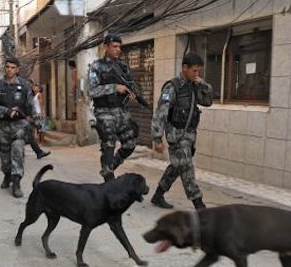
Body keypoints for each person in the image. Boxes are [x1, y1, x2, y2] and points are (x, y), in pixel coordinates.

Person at [150, 52, 213, 210]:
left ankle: (158, 195)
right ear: (184, 68)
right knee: (186, 168)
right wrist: (157, 138)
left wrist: (203, 83)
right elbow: (160, 112)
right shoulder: (172, 87)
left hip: (190, 135)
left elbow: (207, 101)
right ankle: (200, 206)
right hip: (176, 135)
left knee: (177, 166)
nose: (196, 74)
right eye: (194, 71)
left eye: (199, 71)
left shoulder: (194, 86)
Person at [88, 33, 138, 182]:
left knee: (130, 144)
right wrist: (113, 87)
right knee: (109, 142)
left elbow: (131, 84)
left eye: (119, 47)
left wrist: (132, 93)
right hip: (104, 112)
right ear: (106, 47)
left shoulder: (123, 66)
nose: (118, 50)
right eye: (114, 46)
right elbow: (92, 91)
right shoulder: (97, 67)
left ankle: (109, 168)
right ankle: (108, 176)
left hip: (121, 111)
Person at [0, 57, 39, 198]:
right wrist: (6, 111)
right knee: (5, 158)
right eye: (7, 67)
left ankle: (16, 183)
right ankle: (7, 175)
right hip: (3, 126)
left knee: (17, 151)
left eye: (12, 67)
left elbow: (31, 105)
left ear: (17, 69)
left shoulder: (24, 86)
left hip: (19, 126)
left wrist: (36, 121)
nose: (9, 69)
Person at [30, 84, 50, 159]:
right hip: (36, 113)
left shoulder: (39, 95)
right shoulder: (34, 95)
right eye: (34, 87)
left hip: (39, 113)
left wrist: (42, 113)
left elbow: (41, 104)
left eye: (36, 87)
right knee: (37, 128)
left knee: (41, 128)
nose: (35, 88)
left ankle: (42, 141)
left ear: (39, 89)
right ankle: (38, 142)